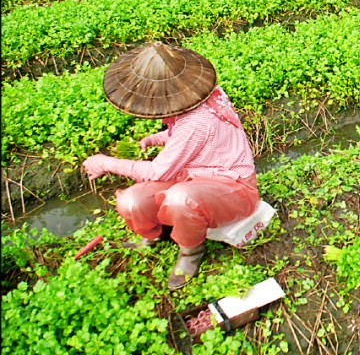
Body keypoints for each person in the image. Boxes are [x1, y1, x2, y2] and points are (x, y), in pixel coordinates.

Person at [81, 42, 261, 290]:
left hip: (234, 187)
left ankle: (190, 253)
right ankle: (156, 234)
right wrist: (157, 138)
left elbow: (158, 171)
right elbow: (189, 137)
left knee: (180, 199)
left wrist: (105, 162)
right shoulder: (196, 98)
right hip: (192, 175)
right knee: (131, 202)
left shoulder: (196, 121)